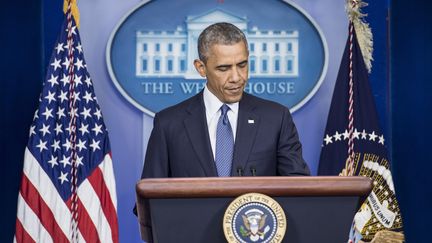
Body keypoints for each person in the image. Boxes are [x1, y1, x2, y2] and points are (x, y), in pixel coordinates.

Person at [141, 22, 310, 178]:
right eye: (224, 68)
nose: (237, 77)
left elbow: (298, 189)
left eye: (242, 65)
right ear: (201, 68)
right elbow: (149, 199)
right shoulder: (169, 124)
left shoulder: (276, 119)